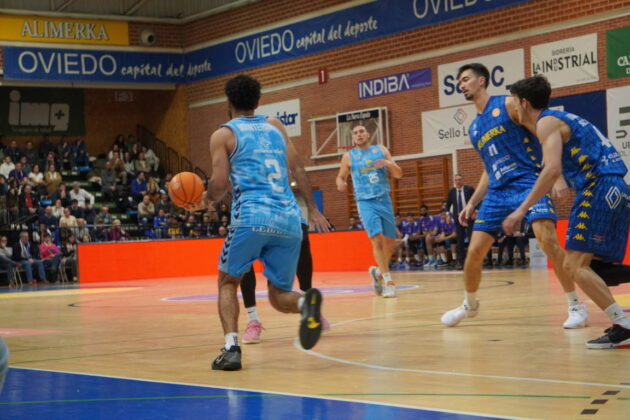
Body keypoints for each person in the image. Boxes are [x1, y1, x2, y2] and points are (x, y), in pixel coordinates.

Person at [187, 74, 330, 370]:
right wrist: (312, 210)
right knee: (279, 295)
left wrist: (204, 200)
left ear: (228, 102)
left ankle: (231, 349)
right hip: (289, 218)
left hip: (252, 216)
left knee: (228, 281)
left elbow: (220, 184)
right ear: (258, 101)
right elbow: (299, 168)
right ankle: (306, 303)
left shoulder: (224, 135)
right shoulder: (276, 126)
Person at [441, 63, 587, 330]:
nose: (461, 85)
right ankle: (469, 305)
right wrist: (472, 202)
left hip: (527, 180)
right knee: (473, 252)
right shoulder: (474, 128)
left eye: (465, 79)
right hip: (497, 191)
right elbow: (488, 169)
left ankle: (575, 304)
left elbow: (542, 132)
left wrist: (556, 174)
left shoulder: (508, 104)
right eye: (459, 82)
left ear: (481, 81)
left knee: (547, 239)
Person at [504, 75, 630, 348]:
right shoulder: (563, 119)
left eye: (513, 101)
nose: (511, 106)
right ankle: (621, 323)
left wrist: (520, 210)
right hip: (617, 187)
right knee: (595, 266)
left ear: (524, 102)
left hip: (598, 187)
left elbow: (551, 169)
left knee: (573, 265)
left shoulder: (545, 123)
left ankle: (624, 325)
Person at [336, 125, 402, 298]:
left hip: (384, 199)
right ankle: (388, 281)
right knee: (377, 240)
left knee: (391, 243)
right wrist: (340, 183)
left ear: (368, 134)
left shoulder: (380, 150)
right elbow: (340, 176)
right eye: (355, 133)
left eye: (361, 131)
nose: (359, 134)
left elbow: (399, 174)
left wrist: (388, 163)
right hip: (365, 202)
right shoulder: (348, 156)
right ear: (352, 138)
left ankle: (378, 272)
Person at [445, 174, 474, 269]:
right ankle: (461, 262)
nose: (458, 181)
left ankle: (473, 261)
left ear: (462, 180)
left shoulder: (469, 189)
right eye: (456, 180)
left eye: (459, 180)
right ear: (454, 181)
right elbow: (447, 205)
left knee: (471, 239)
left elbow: (477, 201)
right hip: (458, 218)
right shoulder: (452, 192)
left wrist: (476, 211)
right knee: (460, 241)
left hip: (469, 217)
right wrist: (448, 214)